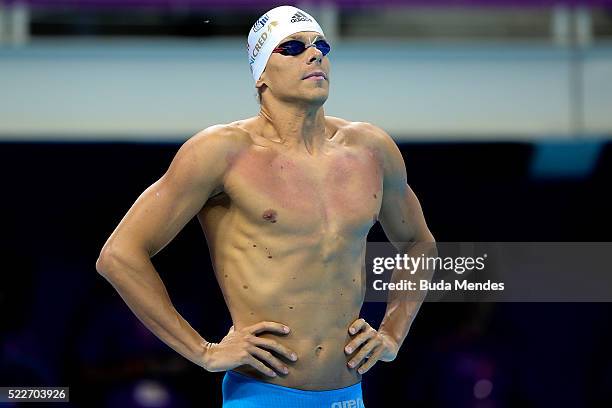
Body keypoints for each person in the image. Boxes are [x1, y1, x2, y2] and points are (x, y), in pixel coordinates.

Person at [95, 5, 435, 407]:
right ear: (260, 74)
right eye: (291, 47)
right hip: (261, 395)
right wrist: (204, 351)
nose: (315, 55)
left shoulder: (371, 150)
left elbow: (419, 244)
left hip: (349, 395)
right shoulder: (221, 153)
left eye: (320, 45)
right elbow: (119, 256)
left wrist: (393, 333)